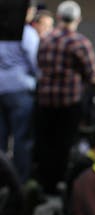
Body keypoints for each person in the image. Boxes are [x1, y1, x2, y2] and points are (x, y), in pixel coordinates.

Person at [34, 0, 95, 194]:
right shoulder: (79, 42)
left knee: (45, 145)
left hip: (44, 101)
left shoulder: (44, 39)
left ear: (58, 17)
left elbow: (39, 64)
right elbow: (91, 73)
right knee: (64, 145)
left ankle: (44, 187)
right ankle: (59, 188)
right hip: (68, 102)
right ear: (77, 19)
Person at [0, 0, 39, 183]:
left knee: (1, 140)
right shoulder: (27, 33)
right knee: (21, 140)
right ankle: (20, 183)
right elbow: (35, 63)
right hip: (20, 90)